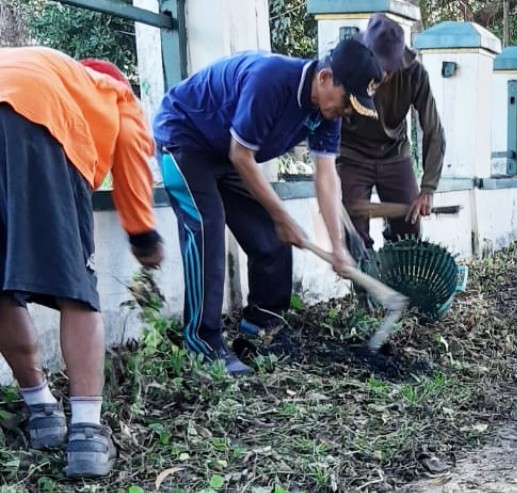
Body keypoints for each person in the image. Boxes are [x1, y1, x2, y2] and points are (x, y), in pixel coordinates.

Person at [152, 39, 381, 375]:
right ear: (326, 78)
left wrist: (338, 246)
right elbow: (241, 155)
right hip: (184, 138)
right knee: (207, 229)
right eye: (348, 101)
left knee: (271, 236)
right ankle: (202, 341)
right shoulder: (271, 81)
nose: (347, 111)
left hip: (225, 152)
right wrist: (283, 216)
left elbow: (326, 177)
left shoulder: (326, 112)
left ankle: (260, 327)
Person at [0, 47, 165, 478]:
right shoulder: (115, 92)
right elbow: (132, 157)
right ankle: (87, 434)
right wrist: (143, 236)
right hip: (36, 120)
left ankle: (41, 414)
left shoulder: (47, 64)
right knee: (75, 287)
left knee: (2, 283)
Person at [339, 13, 446, 249]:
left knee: (410, 230)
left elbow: (434, 130)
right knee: (353, 236)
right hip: (351, 156)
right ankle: (366, 284)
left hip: (394, 154)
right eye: (378, 65)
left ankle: (399, 281)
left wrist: (428, 188)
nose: (383, 74)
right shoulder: (347, 66)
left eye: (389, 67)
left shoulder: (415, 75)